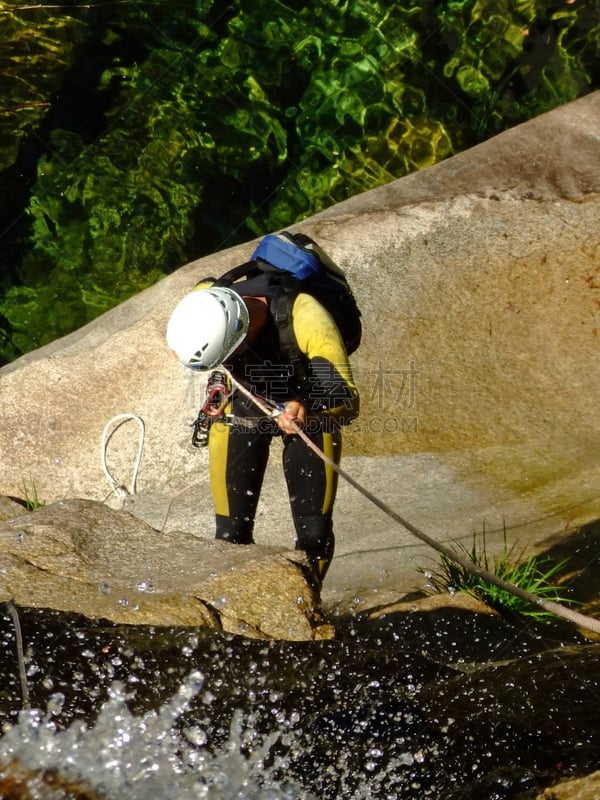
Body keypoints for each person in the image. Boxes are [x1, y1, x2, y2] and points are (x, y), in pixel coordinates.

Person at [166, 266, 360, 585]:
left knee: (313, 535)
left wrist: (305, 409)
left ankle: (306, 606)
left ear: (240, 334)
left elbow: (346, 398)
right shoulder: (204, 298)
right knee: (230, 534)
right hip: (246, 399)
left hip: (309, 403)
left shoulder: (304, 315)